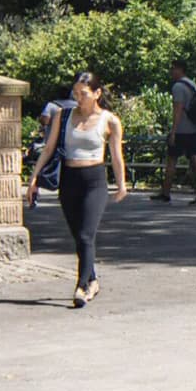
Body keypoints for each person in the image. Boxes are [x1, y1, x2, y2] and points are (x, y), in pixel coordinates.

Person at [23, 71, 126, 307]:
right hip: (69, 178)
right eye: (76, 93)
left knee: (86, 234)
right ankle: (93, 279)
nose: (79, 98)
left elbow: (116, 156)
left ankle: (81, 286)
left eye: (84, 94)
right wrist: (33, 178)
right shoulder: (63, 114)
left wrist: (121, 184)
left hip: (95, 181)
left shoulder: (109, 120)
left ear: (97, 94)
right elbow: (48, 149)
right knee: (78, 236)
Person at [151, 60, 196, 205]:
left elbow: (177, 110)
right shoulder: (192, 84)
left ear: (180, 70)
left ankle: (165, 193)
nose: (171, 72)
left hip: (182, 130)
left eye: (173, 69)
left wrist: (173, 131)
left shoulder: (178, 87)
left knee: (171, 159)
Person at [26, 93, 74, 212]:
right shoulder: (76, 106)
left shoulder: (52, 105)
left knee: (46, 166)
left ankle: (37, 188)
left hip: (52, 143)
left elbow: (44, 120)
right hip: (70, 144)